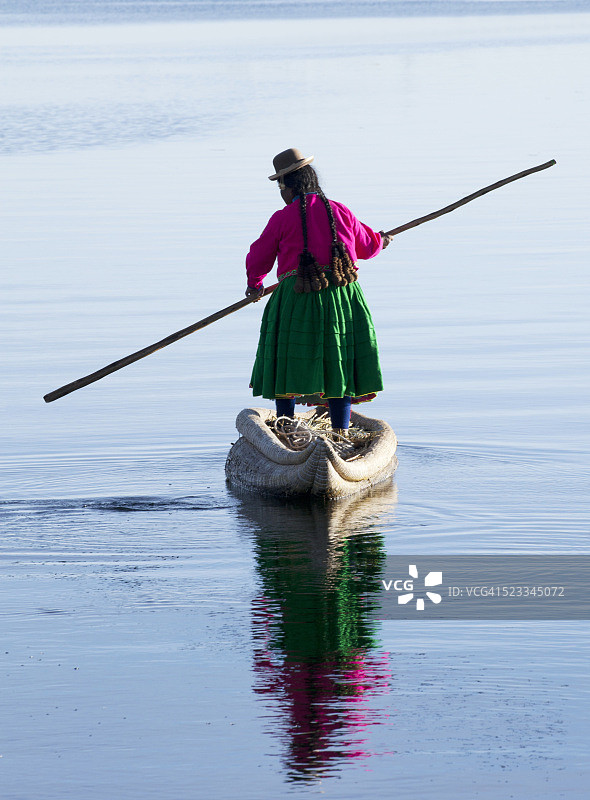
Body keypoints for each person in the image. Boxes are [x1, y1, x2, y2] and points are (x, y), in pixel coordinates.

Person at [245, 148, 392, 436]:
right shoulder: (339, 211)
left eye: (280, 187)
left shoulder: (282, 217)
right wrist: (382, 240)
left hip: (296, 299)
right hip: (342, 298)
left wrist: (255, 284)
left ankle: (285, 429)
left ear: (286, 186)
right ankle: (341, 432)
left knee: (288, 361)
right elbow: (367, 245)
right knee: (339, 363)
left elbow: (259, 255)